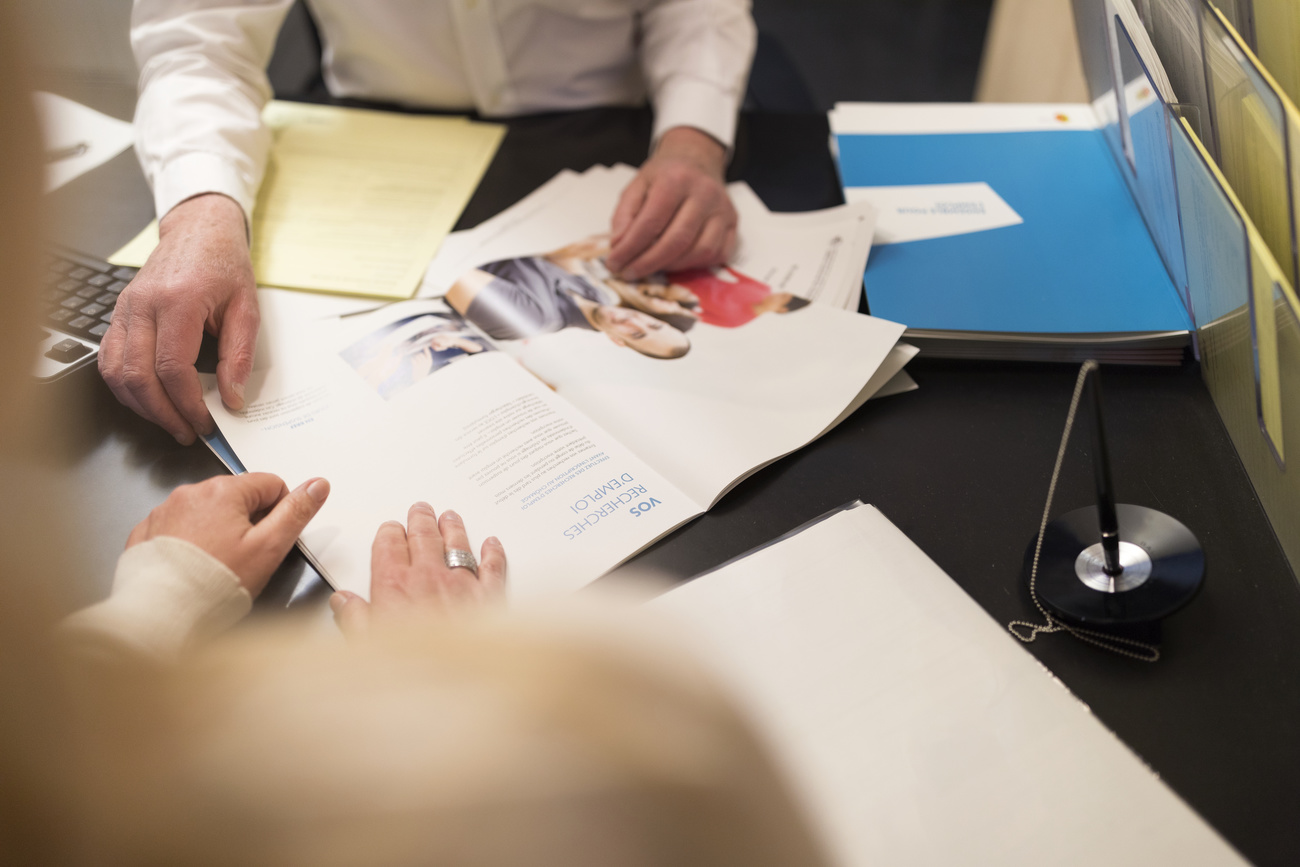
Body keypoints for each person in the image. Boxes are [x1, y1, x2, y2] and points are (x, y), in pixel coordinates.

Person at [102, 0, 753, 445]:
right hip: (372, 149)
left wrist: (693, 139)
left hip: (616, 136)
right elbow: (196, 39)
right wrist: (200, 210)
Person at [447, 257, 691, 359]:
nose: (633, 321)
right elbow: (565, 253)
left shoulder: (532, 319)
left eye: (636, 334)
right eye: (653, 323)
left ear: (618, 341)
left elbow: (449, 271)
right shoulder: (597, 295)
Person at [667, 265, 810, 328]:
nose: (777, 295)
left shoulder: (736, 322)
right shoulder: (762, 287)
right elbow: (729, 266)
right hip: (688, 269)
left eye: (782, 299)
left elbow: (691, 315)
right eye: (782, 293)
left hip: (668, 290)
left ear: (781, 310)